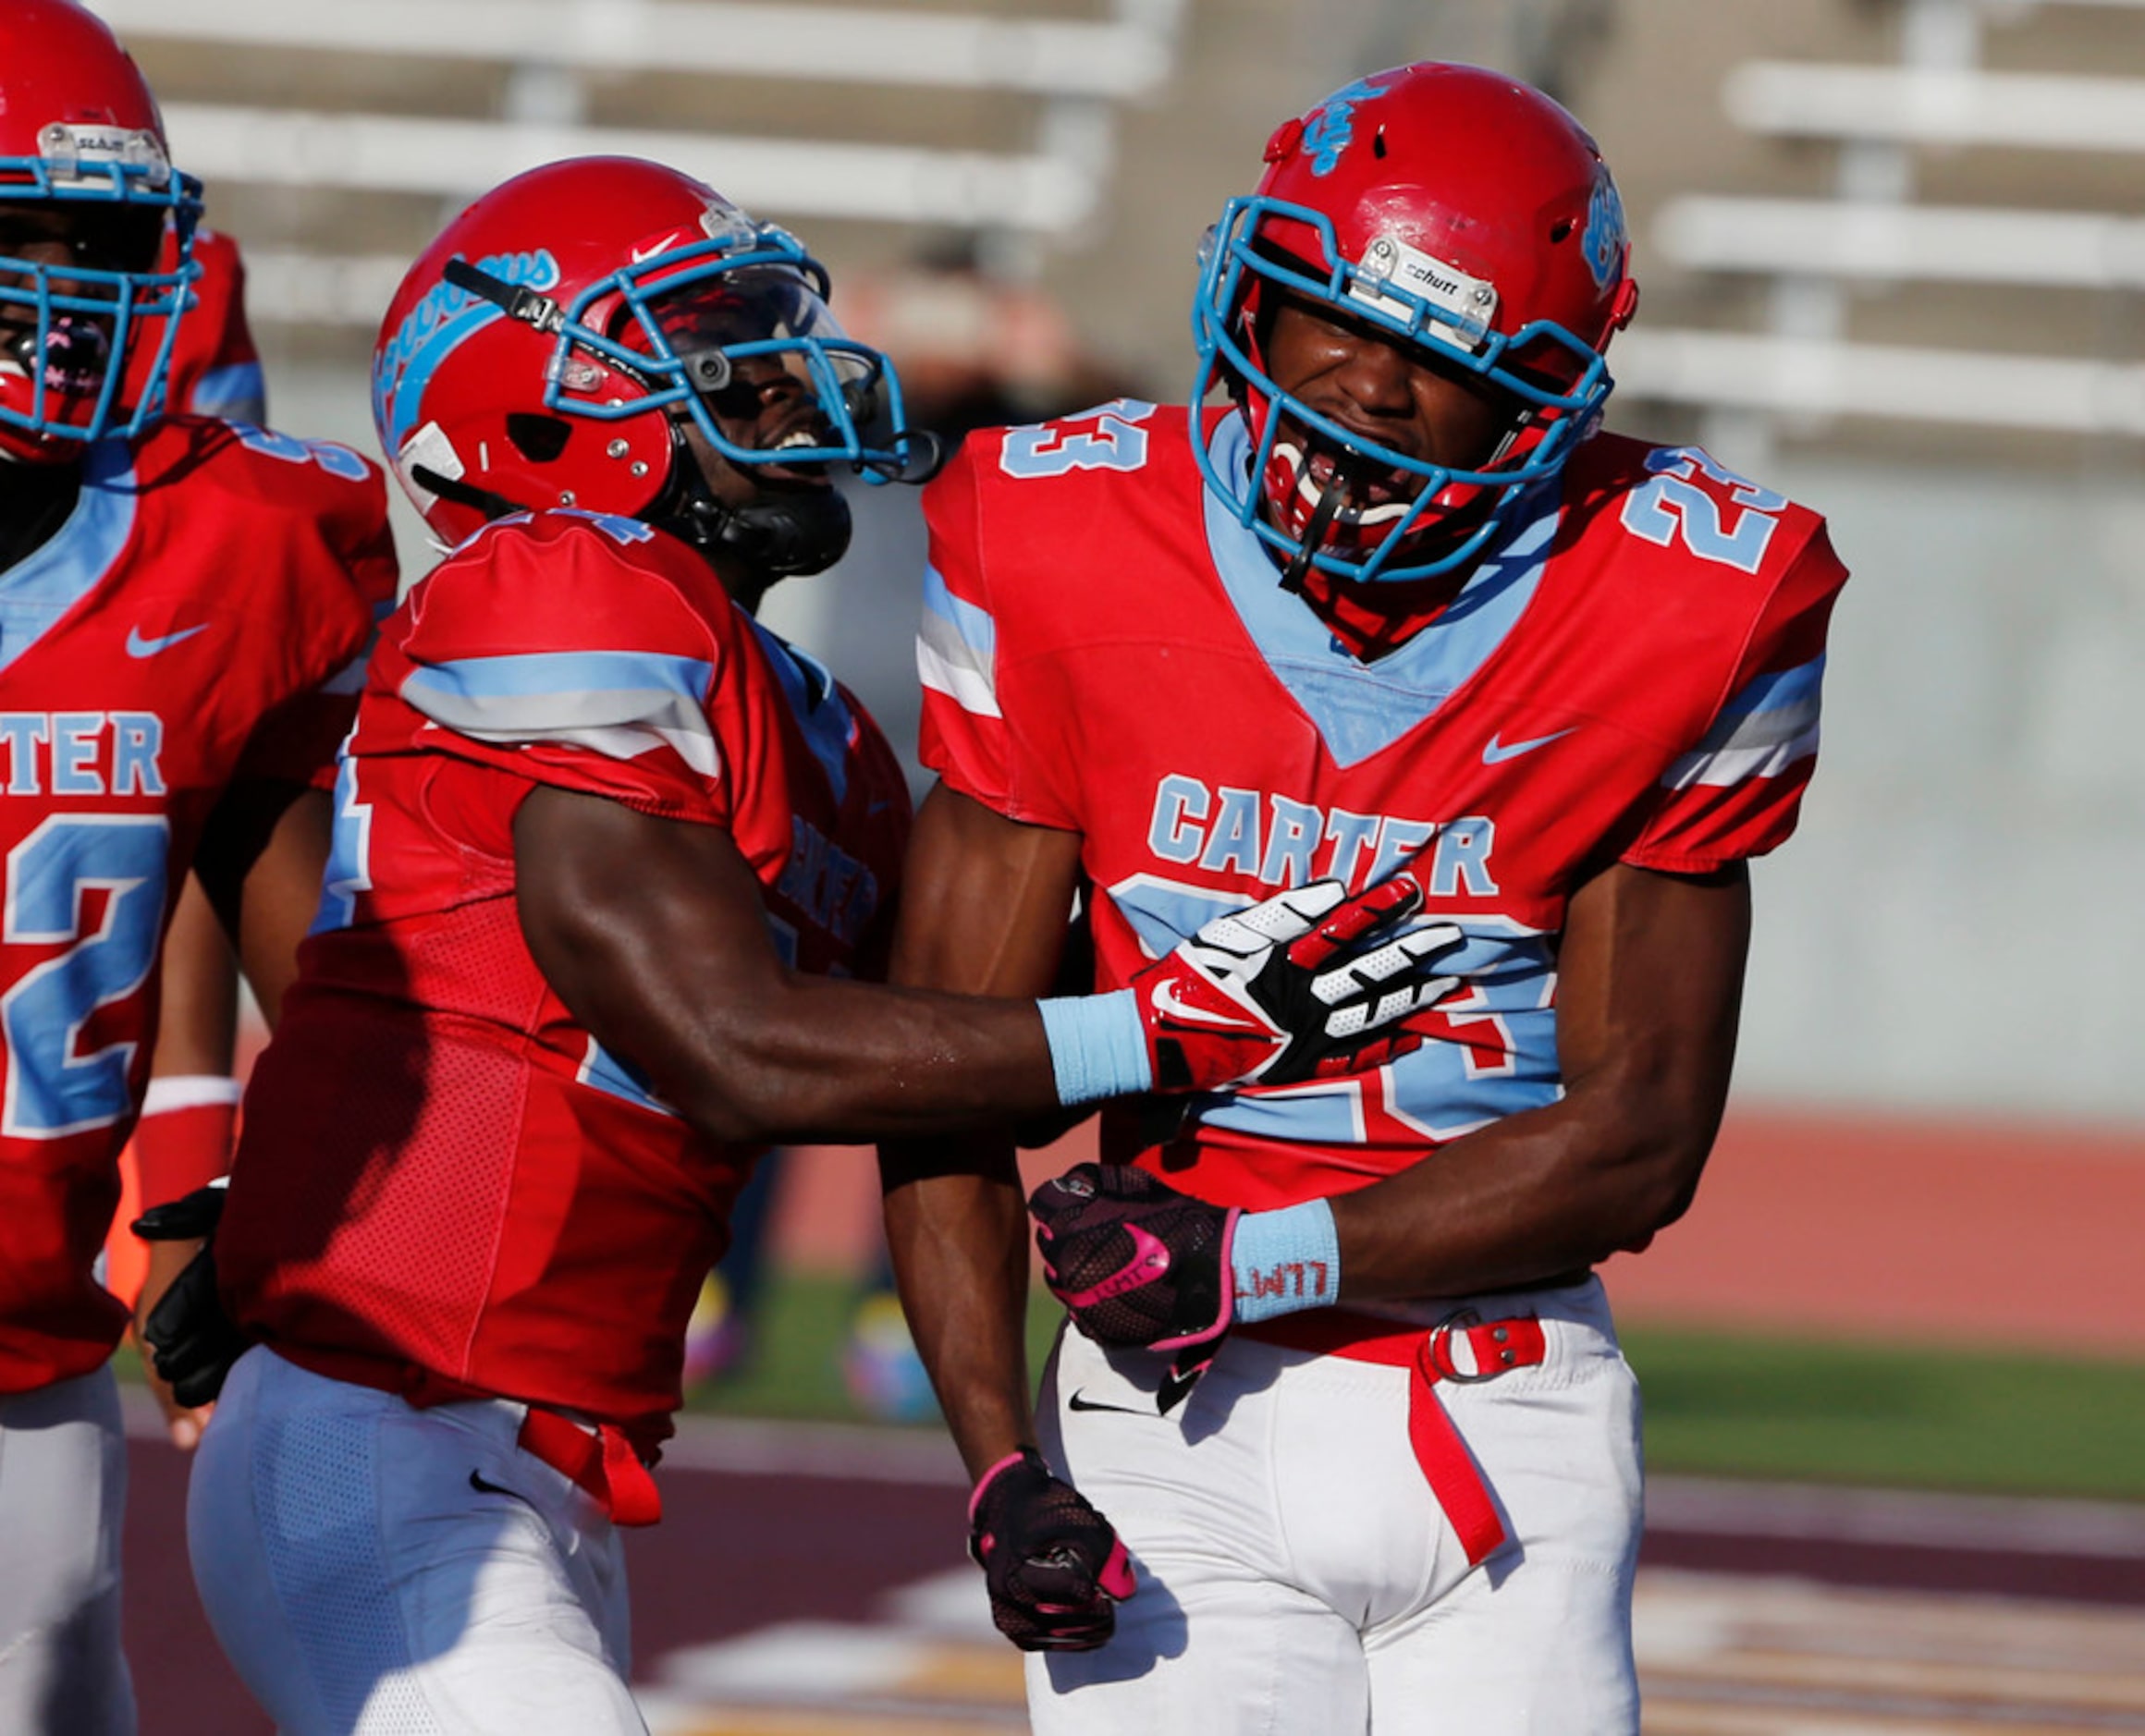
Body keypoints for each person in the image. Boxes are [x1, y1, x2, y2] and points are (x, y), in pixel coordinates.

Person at [171, 153, 1454, 1736]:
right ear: (546, 412)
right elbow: (724, 1036)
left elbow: (948, 1052)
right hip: (392, 1434)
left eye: (777, 338)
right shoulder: (558, 582)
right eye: (717, 342)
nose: (785, 386)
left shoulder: (817, 735)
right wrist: (1169, 1025)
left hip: (533, 1460)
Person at [878, 60, 1848, 1731]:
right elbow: (948, 1071)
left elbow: (1641, 1132)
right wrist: (992, 1462)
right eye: (1328, 314)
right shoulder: (1063, 534)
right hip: (1163, 1414)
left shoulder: (1684, 602)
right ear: (1248, 287)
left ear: (1545, 403)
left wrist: (1252, 1260)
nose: (1364, 389)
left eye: (1440, 362)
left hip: (1498, 1399)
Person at [0, 5, 398, 1731]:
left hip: (25, 1351)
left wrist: (235, 1197)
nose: (78, 290)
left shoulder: (236, 548)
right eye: (35, 241)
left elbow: (318, 959)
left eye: (105, 247)